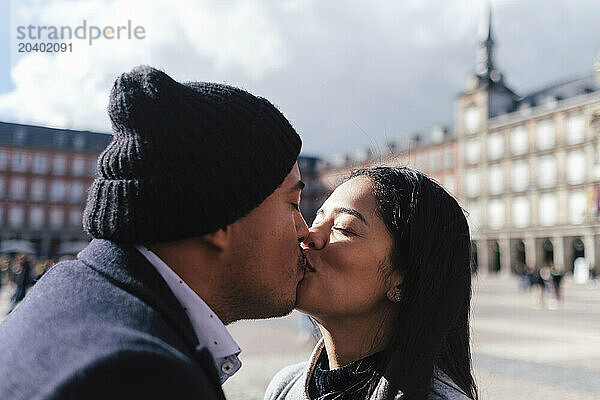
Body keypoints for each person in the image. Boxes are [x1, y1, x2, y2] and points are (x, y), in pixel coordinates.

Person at [0, 65, 309, 400]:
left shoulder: (69, 294)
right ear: (220, 218)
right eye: (293, 204)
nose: (305, 230)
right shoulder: (139, 376)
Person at [266, 166, 477, 400]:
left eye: (343, 228)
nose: (309, 236)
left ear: (403, 282)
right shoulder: (284, 387)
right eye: (317, 218)